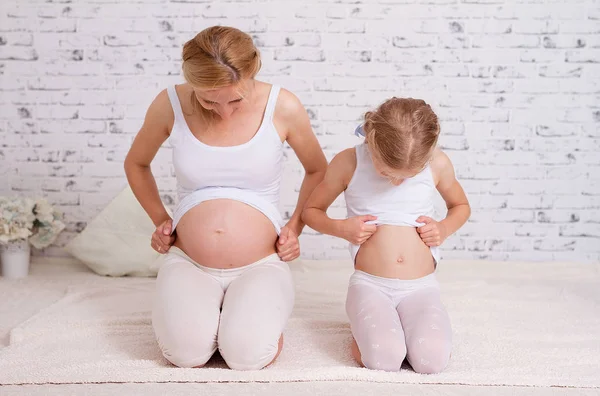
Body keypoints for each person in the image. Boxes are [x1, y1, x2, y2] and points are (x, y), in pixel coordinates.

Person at [124, 26, 327, 370]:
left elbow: (318, 170)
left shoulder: (284, 106)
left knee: (246, 357)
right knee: (184, 355)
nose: (224, 112)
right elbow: (137, 163)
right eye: (208, 100)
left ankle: (248, 320)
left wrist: (295, 227)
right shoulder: (169, 104)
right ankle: (215, 316)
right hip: (189, 260)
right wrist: (161, 219)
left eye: (236, 99)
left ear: (253, 71)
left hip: (261, 263)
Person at [302, 97, 470, 373]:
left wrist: (443, 228)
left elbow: (460, 206)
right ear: (372, 140)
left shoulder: (437, 163)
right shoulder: (348, 162)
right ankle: (368, 331)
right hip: (371, 285)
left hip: (421, 287)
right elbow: (312, 211)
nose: (396, 181)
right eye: (386, 171)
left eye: (408, 175)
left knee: (432, 361)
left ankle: (404, 329)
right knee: (384, 359)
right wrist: (342, 228)